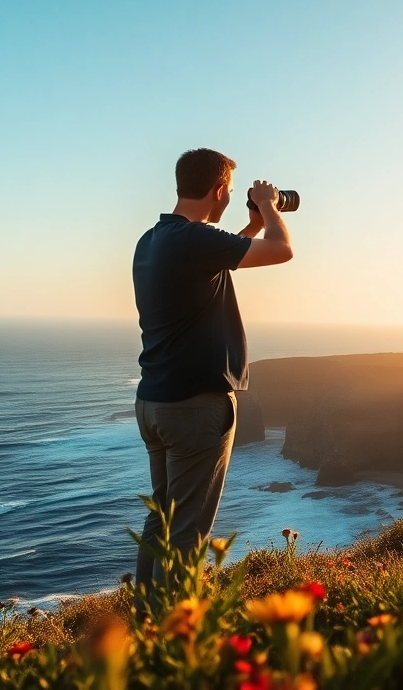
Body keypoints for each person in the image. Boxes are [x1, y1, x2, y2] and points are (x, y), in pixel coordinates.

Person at [131, 148, 293, 601]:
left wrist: (252, 227)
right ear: (219, 190)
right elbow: (282, 250)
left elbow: (216, 256)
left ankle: (146, 618)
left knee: (162, 518)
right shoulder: (195, 240)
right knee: (187, 529)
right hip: (195, 407)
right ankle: (175, 632)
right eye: (232, 191)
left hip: (154, 403)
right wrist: (269, 207)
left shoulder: (154, 239)